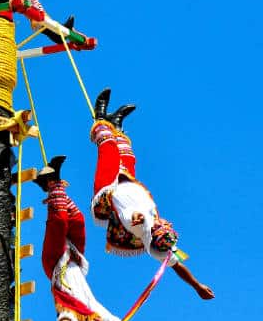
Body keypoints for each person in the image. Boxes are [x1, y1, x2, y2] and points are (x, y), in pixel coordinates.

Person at [89, 88, 215, 300]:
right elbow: (177, 266)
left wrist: (138, 219)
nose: (162, 222)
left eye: (161, 225)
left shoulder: (140, 225)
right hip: (128, 182)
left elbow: (133, 219)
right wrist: (197, 285)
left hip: (108, 190)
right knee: (128, 156)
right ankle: (117, 124)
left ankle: (100, 116)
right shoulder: (161, 243)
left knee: (108, 148)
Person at [36, 156, 161, 321]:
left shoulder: (74, 317)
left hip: (54, 263)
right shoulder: (97, 312)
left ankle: (52, 183)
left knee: (59, 222)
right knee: (77, 219)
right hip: (75, 257)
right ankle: (52, 182)